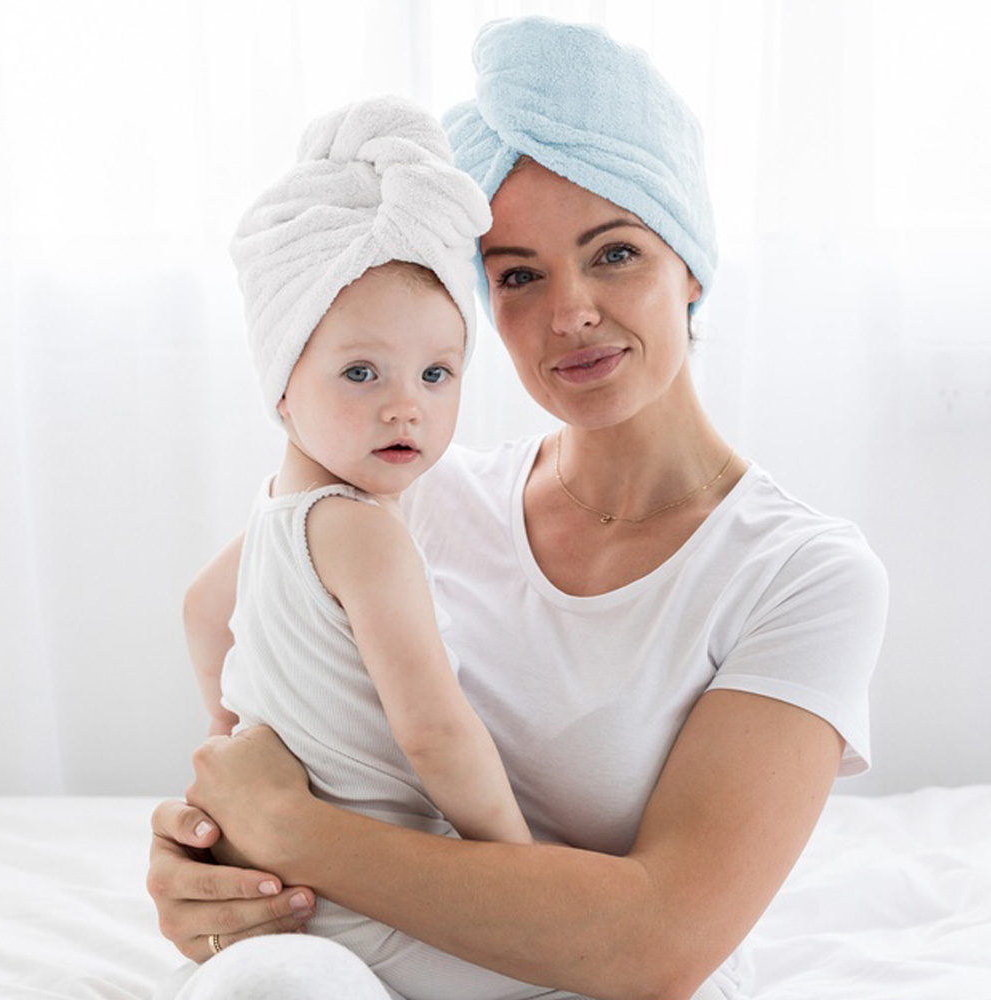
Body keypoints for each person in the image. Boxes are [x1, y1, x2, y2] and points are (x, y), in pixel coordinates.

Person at [148, 16, 888, 1000]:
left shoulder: (802, 575)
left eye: (615, 252)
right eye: (518, 275)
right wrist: (208, 870)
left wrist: (298, 833)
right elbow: (249, 678)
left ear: (691, 265)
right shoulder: (412, 490)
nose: (569, 309)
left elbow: (659, 945)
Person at [156, 95, 559, 999]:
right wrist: (519, 873)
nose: (405, 404)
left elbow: (198, 607)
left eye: (436, 373)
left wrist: (231, 741)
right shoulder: (362, 532)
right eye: (361, 371)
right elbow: (435, 732)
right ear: (282, 386)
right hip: (377, 897)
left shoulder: (277, 514)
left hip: (291, 881)